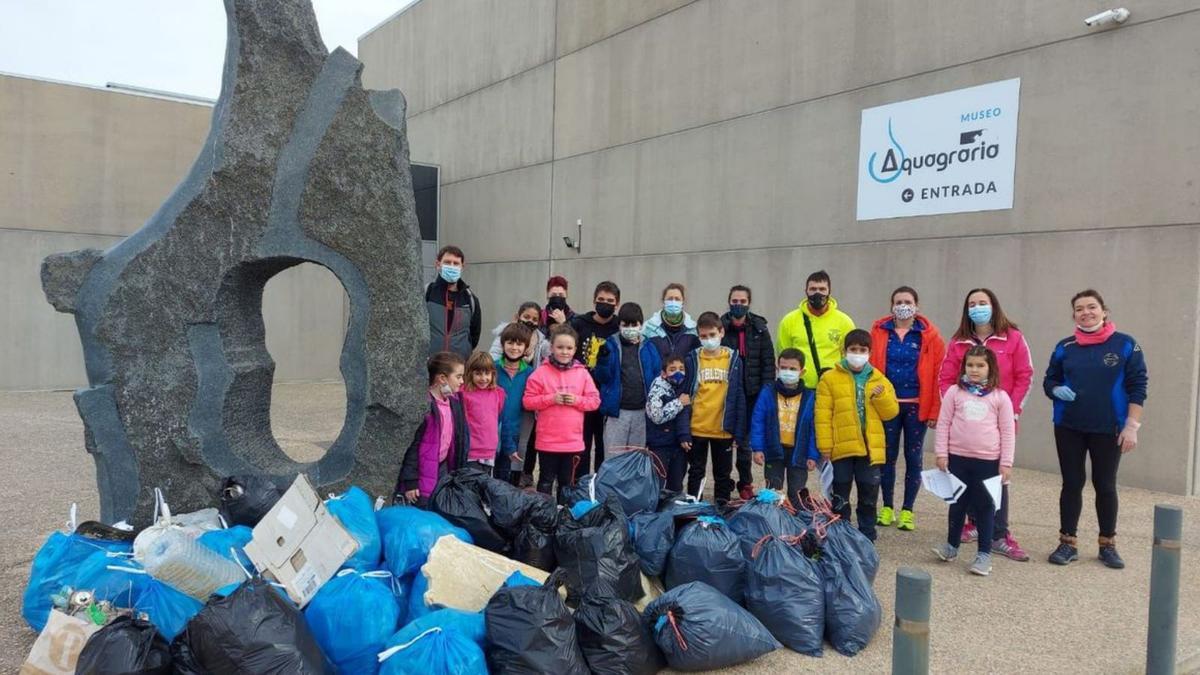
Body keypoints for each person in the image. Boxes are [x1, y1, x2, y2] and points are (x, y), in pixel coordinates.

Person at [1043, 290, 1148, 569]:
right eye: (1079, 309)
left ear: (1104, 311)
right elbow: (1049, 379)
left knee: (1105, 485)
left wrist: (1132, 426)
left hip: (1109, 427)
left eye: (1092, 307)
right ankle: (1067, 543)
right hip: (1069, 426)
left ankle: (1107, 544)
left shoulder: (1126, 345)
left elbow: (1138, 386)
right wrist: (1055, 389)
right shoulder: (1064, 347)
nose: (1086, 312)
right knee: (1072, 483)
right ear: (1073, 315)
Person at [938, 288, 1033, 561]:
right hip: (964, 424)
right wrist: (957, 409)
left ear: (993, 305)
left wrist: (1010, 410)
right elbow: (945, 378)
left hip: (997, 421)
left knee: (995, 482)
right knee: (964, 481)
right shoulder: (958, 341)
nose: (977, 307)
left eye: (983, 302)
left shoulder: (1013, 337)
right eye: (972, 303)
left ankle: (999, 535)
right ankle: (971, 524)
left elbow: (1025, 375)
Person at [932, 346, 1016, 577]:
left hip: (988, 462)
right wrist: (942, 454)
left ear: (990, 368)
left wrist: (1006, 463)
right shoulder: (954, 393)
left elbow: (1007, 432)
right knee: (957, 504)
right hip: (958, 459)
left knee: (986, 507)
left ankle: (984, 555)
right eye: (970, 365)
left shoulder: (1000, 397)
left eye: (980, 365)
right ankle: (951, 546)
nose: (975, 370)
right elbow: (944, 423)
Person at [869, 286, 946, 532]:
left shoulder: (930, 336)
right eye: (898, 301)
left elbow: (938, 376)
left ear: (917, 306)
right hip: (887, 404)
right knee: (887, 457)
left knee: (914, 458)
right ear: (891, 306)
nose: (903, 305)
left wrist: (935, 411)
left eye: (908, 301)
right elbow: (871, 367)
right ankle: (888, 506)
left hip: (916, 406)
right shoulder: (880, 332)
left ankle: (907, 510)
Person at [815, 329, 899, 542]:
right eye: (853, 349)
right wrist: (825, 446)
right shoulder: (829, 379)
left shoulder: (878, 378)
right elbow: (823, 415)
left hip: (870, 448)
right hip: (841, 447)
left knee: (869, 491)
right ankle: (840, 533)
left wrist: (881, 399)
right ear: (844, 351)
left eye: (862, 350)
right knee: (840, 490)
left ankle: (867, 535)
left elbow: (891, 412)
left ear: (869, 352)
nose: (857, 354)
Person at [522, 324, 600, 500]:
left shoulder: (583, 374)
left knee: (566, 484)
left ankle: (563, 516)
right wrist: (551, 399)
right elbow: (528, 401)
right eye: (560, 347)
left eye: (569, 348)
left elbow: (594, 401)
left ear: (575, 349)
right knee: (545, 481)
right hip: (547, 441)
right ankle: (544, 516)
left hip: (572, 442)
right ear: (551, 348)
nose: (564, 352)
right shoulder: (540, 373)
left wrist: (577, 401)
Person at [684, 312, 747, 504]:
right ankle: (693, 510)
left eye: (712, 334)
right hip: (697, 427)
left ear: (721, 332)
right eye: (703, 336)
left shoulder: (733, 359)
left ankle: (722, 509)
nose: (708, 340)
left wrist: (739, 431)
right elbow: (687, 393)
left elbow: (739, 396)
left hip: (723, 429)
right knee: (696, 472)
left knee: (722, 474)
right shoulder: (692, 359)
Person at [394, 352, 470, 507]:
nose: (462, 381)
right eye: (458, 376)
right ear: (442, 378)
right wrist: (410, 481)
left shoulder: (453, 401)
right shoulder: (425, 407)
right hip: (423, 474)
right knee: (423, 511)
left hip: (442, 467)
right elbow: (412, 446)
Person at [722, 285, 776, 499]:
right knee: (724, 442)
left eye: (742, 301)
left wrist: (766, 390)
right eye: (735, 301)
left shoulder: (759, 328)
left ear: (749, 303)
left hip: (753, 394)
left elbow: (768, 361)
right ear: (729, 302)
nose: (738, 305)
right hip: (728, 394)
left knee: (745, 444)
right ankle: (723, 482)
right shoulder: (721, 326)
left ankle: (745, 483)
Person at [750, 348, 818, 505]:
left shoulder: (810, 397)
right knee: (773, 493)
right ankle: (774, 523)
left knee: (798, 493)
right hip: (774, 450)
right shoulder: (768, 392)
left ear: (802, 371)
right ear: (777, 368)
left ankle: (797, 523)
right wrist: (758, 448)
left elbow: (814, 429)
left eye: (793, 369)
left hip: (798, 453)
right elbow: (758, 421)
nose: (788, 372)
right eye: (784, 368)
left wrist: (812, 455)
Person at [571, 281, 622, 472]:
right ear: (594, 301)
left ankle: (601, 486)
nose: (605, 304)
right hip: (582, 395)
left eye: (610, 301)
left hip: (607, 396)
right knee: (581, 444)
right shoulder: (578, 324)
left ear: (617, 304)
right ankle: (579, 485)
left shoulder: (619, 326)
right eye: (601, 300)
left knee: (604, 445)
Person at [595, 303, 660, 452]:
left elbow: (657, 377)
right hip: (617, 412)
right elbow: (602, 377)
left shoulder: (649, 347)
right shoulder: (610, 345)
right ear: (619, 325)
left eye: (634, 324)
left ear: (641, 325)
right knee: (614, 456)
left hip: (642, 412)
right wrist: (603, 359)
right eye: (626, 324)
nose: (630, 328)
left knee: (636, 457)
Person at [777, 270, 856, 389]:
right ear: (806, 291)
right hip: (799, 389)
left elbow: (850, 357)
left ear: (829, 291)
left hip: (832, 388)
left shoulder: (844, 321)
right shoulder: (789, 321)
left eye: (822, 289)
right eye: (813, 289)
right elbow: (783, 355)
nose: (817, 293)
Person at [494, 323, 536, 484]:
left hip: (514, 429)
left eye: (519, 344)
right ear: (503, 344)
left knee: (505, 471)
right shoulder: (492, 368)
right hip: (491, 429)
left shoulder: (530, 373)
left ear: (525, 348)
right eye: (510, 343)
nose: (514, 347)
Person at [646, 354, 693, 492]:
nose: (678, 372)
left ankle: (673, 511)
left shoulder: (682, 387)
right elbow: (656, 416)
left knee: (676, 485)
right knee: (658, 484)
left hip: (677, 445)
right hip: (660, 445)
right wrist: (678, 403)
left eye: (681, 369)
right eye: (672, 369)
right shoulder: (657, 389)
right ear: (664, 373)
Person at [425, 245, 481, 358]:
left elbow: (474, 335)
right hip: (428, 364)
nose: (452, 266)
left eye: (456, 263)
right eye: (447, 262)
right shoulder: (427, 292)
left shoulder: (470, 299)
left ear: (462, 266)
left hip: (458, 367)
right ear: (438, 265)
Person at [461, 351, 506, 473]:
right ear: (470, 374)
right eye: (478, 374)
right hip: (470, 451)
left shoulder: (498, 393)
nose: (483, 378)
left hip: (490, 451)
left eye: (487, 373)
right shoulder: (464, 394)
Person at [643, 282, 700, 360]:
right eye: (670, 299)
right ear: (663, 301)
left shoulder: (693, 329)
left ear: (683, 302)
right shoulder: (649, 327)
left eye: (677, 299)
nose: (673, 302)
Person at [489, 301, 549, 366]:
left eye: (534, 319)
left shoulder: (540, 341)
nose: (530, 321)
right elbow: (493, 358)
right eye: (526, 317)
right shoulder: (505, 334)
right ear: (518, 317)